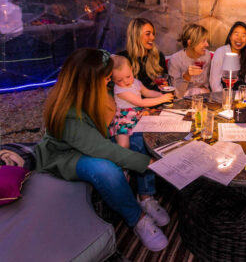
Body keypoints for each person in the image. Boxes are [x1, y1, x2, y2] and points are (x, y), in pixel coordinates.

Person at [34, 48, 170, 252]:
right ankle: (137, 219)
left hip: (95, 141)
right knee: (105, 169)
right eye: (106, 78)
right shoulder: (68, 114)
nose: (110, 82)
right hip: (67, 155)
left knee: (139, 136)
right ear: (89, 80)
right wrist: (149, 163)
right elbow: (102, 149)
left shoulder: (97, 89)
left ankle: (145, 196)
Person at [109, 55, 174, 148]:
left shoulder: (135, 82)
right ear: (113, 79)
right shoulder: (120, 90)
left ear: (131, 69)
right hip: (124, 118)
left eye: (128, 76)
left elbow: (147, 92)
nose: (126, 81)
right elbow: (141, 102)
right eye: (120, 80)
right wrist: (162, 99)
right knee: (123, 144)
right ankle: (122, 158)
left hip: (138, 113)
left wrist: (161, 94)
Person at [117, 18, 168, 91]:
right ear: (136, 36)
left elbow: (166, 83)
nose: (153, 37)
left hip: (157, 100)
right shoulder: (122, 58)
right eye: (148, 34)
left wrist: (165, 86)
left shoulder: (158, 56)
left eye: (153, 34)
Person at [209, 21, 246, 92]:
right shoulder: (221, 52)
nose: (239, 38)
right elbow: (215, 82)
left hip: (241, 93)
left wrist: (245, 96)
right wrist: (223, 98)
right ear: (230, 36)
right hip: (223, 92)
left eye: (243, 35)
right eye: (236, 34)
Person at [168, 23, 211, 98]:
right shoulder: (175, 60)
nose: (207, 44)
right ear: (190, 43)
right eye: (203, 41)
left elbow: (206, 85)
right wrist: (186, 76)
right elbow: (177, 94)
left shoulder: (206, 55)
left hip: (202, 97)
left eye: (206, 41)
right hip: (183, 100)